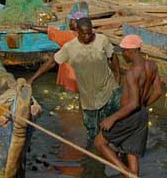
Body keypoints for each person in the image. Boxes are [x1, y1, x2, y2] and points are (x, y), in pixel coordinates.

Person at [94, 34, 162, 177]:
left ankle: (126, 173)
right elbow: (158, 92)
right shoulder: (152, 66)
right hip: (140, 114)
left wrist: (112, 118)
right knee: (131, 153)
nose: (122, 54)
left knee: (99, 142)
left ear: (130, 51)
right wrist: (143, 106)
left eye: (123, 51)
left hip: (128, 115)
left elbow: (132, 103)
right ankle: (131, 175)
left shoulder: (132, 73)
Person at [52, 17, 122, 146]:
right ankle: (95, 156)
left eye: (90, 32)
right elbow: (52, 62)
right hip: (88, 98)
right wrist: (32, 79)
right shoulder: (70, 47)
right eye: (84, 33)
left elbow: (112, 55)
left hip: (108, 90)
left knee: (112, 125)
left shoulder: (102, 40)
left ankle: (114, 151)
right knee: (92, 131)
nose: (88, 36)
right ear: (78, 31)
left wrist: (118, 74)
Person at [23, 11, 88, 93]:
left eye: (71, 20)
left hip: (71, 81)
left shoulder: (68, 36)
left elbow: (50, 30)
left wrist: (30, 26)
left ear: (76, 23)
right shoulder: (88, 37)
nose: (69, 22)